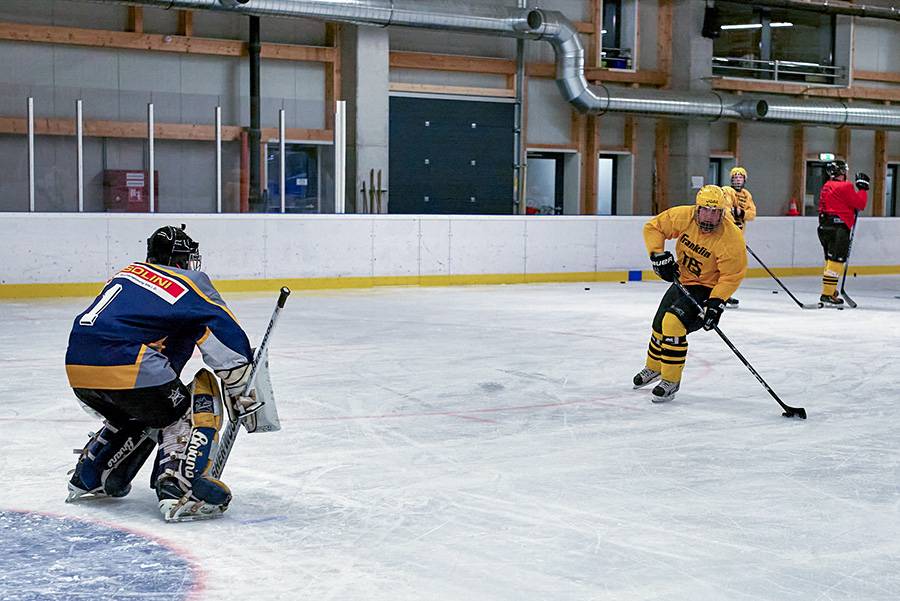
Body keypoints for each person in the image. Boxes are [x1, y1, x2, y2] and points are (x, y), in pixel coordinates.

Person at [65, 225, 257, 521]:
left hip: (78, 369)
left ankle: (93, 474)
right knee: (190, 404)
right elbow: (218, 325)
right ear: (179, 261)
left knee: (140, 408)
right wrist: (240, 379)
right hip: (127, 364)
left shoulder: (127, 273)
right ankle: (180, 487)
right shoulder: (189, 281)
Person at [633, 185, 748, 403]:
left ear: (723, 213)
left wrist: (716, 303)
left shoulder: (731, 238)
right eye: (706, 210)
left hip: (706, 288)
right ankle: (653, 367)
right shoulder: (683, 216)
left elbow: (731, 276)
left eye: (716, 212)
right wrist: (657, 255)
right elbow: (653, 227)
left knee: (672, 324)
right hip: (683, 279)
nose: (710, 216)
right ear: (697, 208)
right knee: (658, 325)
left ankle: (670, 380)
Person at [817, 160, 868, 306]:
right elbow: (860, 204)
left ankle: (830, 290)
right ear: (841, 172)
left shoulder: (826, 186)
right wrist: (863, 189)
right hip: (838, 229)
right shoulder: (845, 186)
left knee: (829, 260)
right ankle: (827, 294)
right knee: (836, 262)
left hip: (824, 227)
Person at [721, 166, 757, 307]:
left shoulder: (747, 195)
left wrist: (741, 213)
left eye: (740, 177)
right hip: (725, 236)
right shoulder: (727, 191)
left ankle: (725, 294)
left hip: (738, 238)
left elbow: (752, 214)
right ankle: (718, 294)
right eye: (735, 177)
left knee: (732, 269)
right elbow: (726, 210)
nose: (737, 180)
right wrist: (732, 217)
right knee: (722, 267)